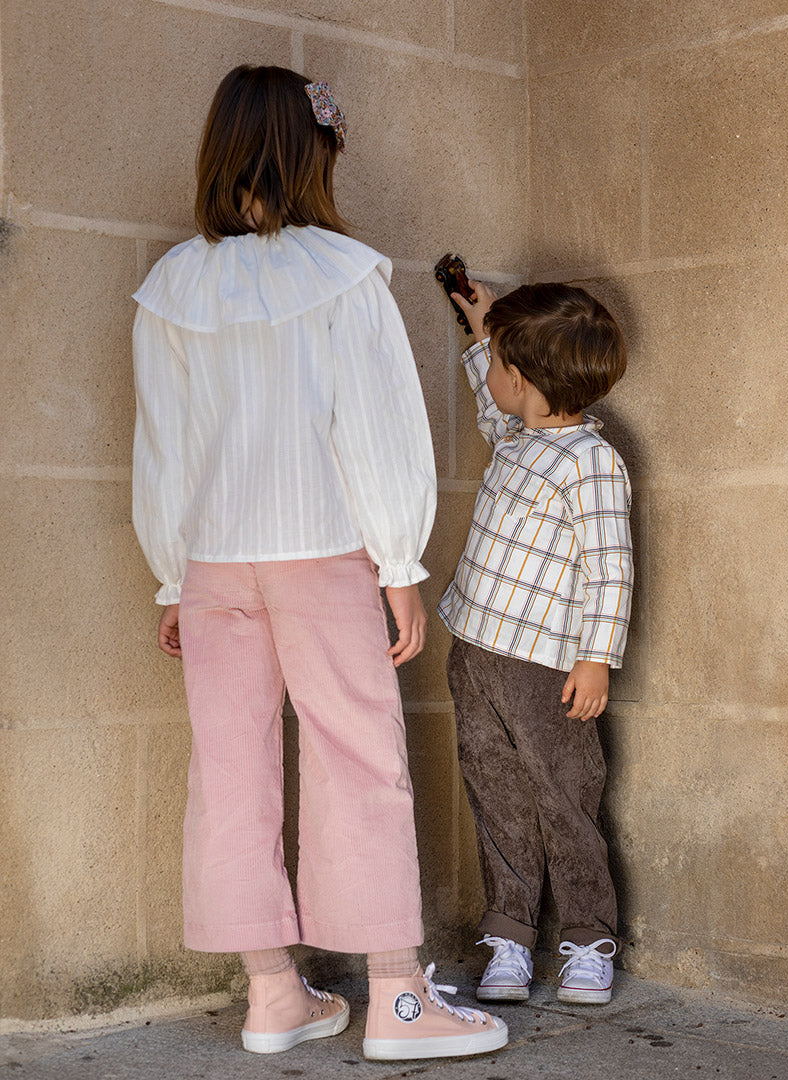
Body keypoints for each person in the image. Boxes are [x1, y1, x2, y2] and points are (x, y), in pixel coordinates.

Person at [131, 65, 507, 1061]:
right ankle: (396, 1002)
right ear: (313, 153)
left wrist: (172, 574)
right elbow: (375, 428)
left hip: (215, 566)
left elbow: (161, 448)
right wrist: (398, 560)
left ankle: (270, 995)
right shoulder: (343, 274)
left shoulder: (171, 284)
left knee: (230, 771)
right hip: (323, 555)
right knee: (358, 760)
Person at [439, 279, 633, 1006]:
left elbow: (612, 568)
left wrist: (595, 659)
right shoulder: (522, 435)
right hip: (477, 651)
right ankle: (510, 937)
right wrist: (484, 326)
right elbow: (496, 404)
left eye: (498, 364)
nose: (490, 376)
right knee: (495, 792)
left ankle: (587, 937)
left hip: (548, 667)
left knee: (563, 794)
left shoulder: (590, 463)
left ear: (522, 380)